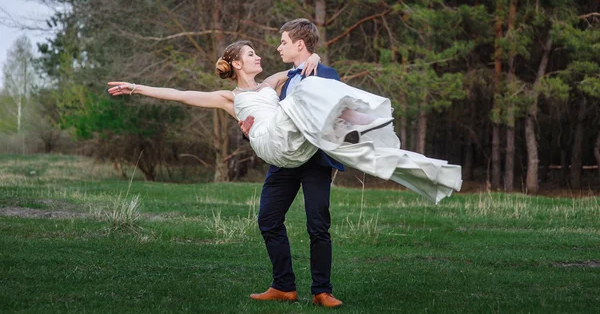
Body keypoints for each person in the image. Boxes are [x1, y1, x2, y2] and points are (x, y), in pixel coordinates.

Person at [108, 19, 462, 308]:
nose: (261, 54)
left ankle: (322, 290)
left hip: (304, 152)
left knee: (317, 223)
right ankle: (284, 286)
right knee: (268, 220)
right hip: (277, 152)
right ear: (235, 64)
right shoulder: (230, 98)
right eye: (251, 53)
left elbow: (302, 78)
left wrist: (315, 59)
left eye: (264, 49)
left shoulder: (274, 82)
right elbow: (182, 95)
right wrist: (136, 87)